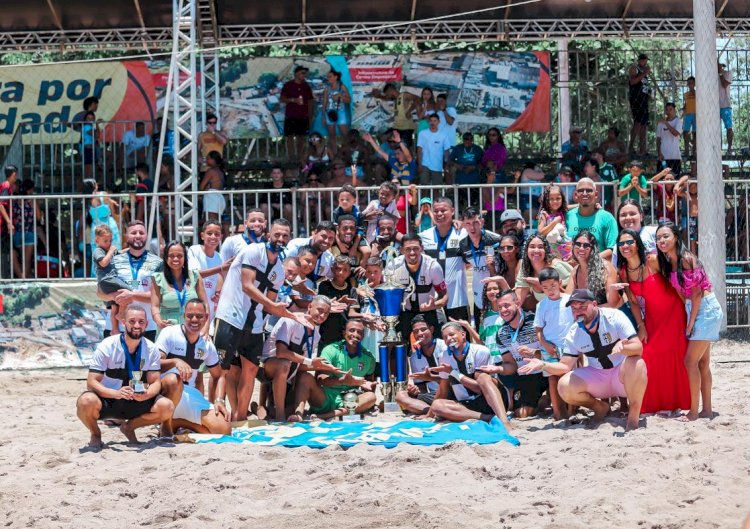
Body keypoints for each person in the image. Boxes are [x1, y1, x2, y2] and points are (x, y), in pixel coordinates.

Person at [213, 219, 308, 421]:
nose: (280, 239)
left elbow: (269, 305)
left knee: (251, 370)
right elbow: (247, 285)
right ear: (268, 235)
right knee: (222, 368)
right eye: (277, 235)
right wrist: (274, 307)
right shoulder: (253, 251)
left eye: (285, 236)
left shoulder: (279, 271)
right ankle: (219, 411)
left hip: (255, 324)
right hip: (231, 316)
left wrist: (293, 315)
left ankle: (239, 418)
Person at [523, 289, 647, 431]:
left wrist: (624, 348)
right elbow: (565, 366)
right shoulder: (574, 332)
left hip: (621, 376)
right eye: (574, 308)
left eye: (583, 306)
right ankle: (599, 407)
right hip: (598, 377)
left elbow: (638, 348)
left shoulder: (614, 316)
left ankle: (633, 418)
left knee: (638, 363)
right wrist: (543, 365)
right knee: (564, 386)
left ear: (594, 304)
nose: (578, 311)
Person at [75, 305, 180, 448]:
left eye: (141, 322)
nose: (137, 325)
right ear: (123, 322)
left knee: (167, 407)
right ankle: (95, 433)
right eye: (132, 321)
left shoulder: (151, 349)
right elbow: (91, 382)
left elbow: (155, 382)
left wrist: (147, 394)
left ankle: (129, 427)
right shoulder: (108, 345)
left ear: (146, 324)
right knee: (85, 401)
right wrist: (115, 393)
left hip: (136, 399)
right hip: (109, 399)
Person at [616, 229, 690, 414]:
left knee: (676, 354)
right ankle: (653, 403)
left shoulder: (653, 260)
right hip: (652, 318)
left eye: (629, 242)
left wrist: (689, 313)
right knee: (650, 354)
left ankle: (679, 402)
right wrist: (641, 326)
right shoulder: (623, 271)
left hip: (675, 313)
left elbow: (676, 283)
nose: (626, 246)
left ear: (637, 243)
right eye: (621, 243)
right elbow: (633, 302)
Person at [655, 222, 723, 421]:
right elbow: (681, 294)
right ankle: (706, 410)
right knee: (702, 363)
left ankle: (694, 412)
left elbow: (696, 295)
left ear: (676, 236)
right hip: (695, 309)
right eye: (659, 238)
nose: (662, 241)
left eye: (666, 236)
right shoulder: (669, 261)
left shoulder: (686, 259)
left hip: (705, 310)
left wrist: (690, 323)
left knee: (690, 362)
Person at [259, 296, 343, 422]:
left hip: (287, 373)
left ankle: (262, 408)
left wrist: (320, 366)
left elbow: (301, 365)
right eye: (320, 310)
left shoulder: (316, 335)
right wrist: (310, 362)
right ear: (309, 306)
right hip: (265, 367)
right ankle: (279, 416)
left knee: (303, 378)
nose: (322, 315)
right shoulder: (291, 320)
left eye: (326, 313)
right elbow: (281, 352)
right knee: (284, 364)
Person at [155, 300, 230, 435]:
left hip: (190, 394)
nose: (194, 320)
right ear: (183, 316)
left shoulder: (206, 344)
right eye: (190, 316)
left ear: (206, 318)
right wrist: (175, 361)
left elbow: (219, 376)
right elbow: (153, 365)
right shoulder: (169, 333)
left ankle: (178, 423)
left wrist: (219, 400)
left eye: (199, 316)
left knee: (224, 430)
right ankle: (166, 424)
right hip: (166, 394)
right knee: (173, 380)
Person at [428, 322, 512, 429]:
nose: (449, 339)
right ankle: (488, 418)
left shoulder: (480, 351)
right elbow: (443, 388)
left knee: (483, 377)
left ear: (463, 334)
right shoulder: (444, 356)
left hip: (490, 401)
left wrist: (453, 373)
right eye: (445, 337)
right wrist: (429, 414)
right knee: (437, 405)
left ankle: (503, 420)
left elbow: (479, 389)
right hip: (468, 405)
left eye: (452, 334)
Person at [289, 319, 377, 421]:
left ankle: (328, 416)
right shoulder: (331, 350)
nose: (355, 334)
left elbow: (369, 383)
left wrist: (369, 387)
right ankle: (299, 414)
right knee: (305, 377)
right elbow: (320, 379)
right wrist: (343, 381)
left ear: (363, 336)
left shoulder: (369, 357)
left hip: (349, 400)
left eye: (359, 332)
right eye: (352, 330)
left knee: (371, 396)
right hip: (324, 398)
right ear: (344, 333)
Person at [100, 221, 163, 341]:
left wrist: (132, 295)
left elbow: (159, 296)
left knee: (145, 360)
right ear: (126, 236)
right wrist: (116, 296)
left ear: (146, 236)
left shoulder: (158, 262)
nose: (138, 235)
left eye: (141, 233)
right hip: (117, 328)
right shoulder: (113, 261)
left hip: (146, 326)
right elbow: (100, 292)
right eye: (133, 233)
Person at [490, 289, 546, 418]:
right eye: (500, 307)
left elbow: (555, 352)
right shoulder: (501, 333)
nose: (503, 310)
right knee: (522, 414)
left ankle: (549, 397)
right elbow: (511, 365)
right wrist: (497, 368)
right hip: (527, 375)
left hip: (547, 370)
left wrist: (534, 353)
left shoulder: (536, 322)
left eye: (506, 305)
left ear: (518, 303)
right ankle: (543, 401)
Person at [385, 233, 448, 338]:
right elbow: (388, 296)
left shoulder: (432, 266)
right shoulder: (393, 266)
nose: (412, 253)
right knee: (396, 343)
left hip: (429, 311)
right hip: (405, 312)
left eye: (416, 248)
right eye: (408, 249)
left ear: (422, 248)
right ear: (401, 250)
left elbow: (444, 296)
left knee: (439, 341)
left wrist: (435, 305)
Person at [534, 268, 574, 419]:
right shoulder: (541, 305)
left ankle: (571, 410)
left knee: (569, 376)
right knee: (552, 378)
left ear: (560, 283)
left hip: (569, 345)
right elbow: (538, 329)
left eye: (553, 286)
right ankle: (558, 412)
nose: (549, 290)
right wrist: (544, 344)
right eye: (545, 288)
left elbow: (577, 322)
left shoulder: (569, 301)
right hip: (549, 345)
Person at [419, 196, 469, 321]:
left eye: (443, 210)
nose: (439, 214)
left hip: (457, 299)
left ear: (452, 211)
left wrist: (462, 224)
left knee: (459, 337)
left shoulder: (463, 234)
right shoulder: (424, 236)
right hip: (432, 300)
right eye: (435, 211)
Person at [151, 241, 209, 331]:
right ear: (166, 258)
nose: (175, 259)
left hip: (192, 330)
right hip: (167, 330)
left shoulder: (195, 276)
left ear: (185, 258)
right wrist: (159, 322)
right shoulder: (158, 278)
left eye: (179, 256)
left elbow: (205, 304)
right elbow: (154, 306)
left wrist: (205, 329)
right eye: (171, 256)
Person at [395, 315, 447, 414]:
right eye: (416, 331)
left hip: (452, 392)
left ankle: (436, 411)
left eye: (423, 330)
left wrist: (431, 378)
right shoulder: (414, 358)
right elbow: (422, 388)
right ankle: (435, 411)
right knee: (400, 396)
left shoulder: (445, 347)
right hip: (434, 396)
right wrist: (416, 391)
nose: (420, 334)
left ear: (431, 330)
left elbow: (453, 381)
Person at [458, 207, 502, 328]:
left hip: (496, 292)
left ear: (481, 222)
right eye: (468, 224)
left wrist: (492, 267)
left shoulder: (495, 240)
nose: (472, 228)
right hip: (478, 294)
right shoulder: (463, 245)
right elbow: (466, 263)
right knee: (480, 330)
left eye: (475, 223)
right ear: (464, 225)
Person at [514, 233, 572, 309]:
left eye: (540, 247)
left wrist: (544, 285)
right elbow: (517, 301)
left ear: (546, 250)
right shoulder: (525, 269)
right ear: (526, 250)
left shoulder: (557, 266)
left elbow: (574, 295)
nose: (536, 250)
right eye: (532, 247)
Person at [566, 178, 619, 259]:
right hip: (572, 268)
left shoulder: (607, 218)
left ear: (596, 194)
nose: (584, 193)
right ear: (576, 195)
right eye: (581, 190)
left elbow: (613, 249)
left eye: (589, 190)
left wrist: (589, 261)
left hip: (598, 268)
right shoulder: (569, 216)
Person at [93, 224, 132, 332]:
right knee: (128, 291)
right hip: (107, 279)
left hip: (110, 280)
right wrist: (110, 251)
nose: (109, 244)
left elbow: (119, 253)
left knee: (114, 305)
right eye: (105, 241)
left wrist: (130, 249)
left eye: (110, 241)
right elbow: (103, 263)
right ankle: (121, 314)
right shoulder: (98, 251)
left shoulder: (108, 250)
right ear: (97, 241)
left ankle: (114, 329)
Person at [187, 220, 227, 324]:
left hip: (211, 308)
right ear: (202, 235)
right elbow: (195, 275)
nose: (213, 237)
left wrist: (219, 293)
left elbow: (220, 278)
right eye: (209, 233)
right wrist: (220, 268)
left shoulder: (219, 257)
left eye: (217, 234)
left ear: (221, 237)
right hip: (195, 305)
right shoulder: (194, 250)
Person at [316, 256, 357, 351]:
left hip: (344, 335)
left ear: (349, 272)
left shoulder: (351, 289)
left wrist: (364, 316)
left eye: (345, 270)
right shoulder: (324, 286)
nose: (341, 273)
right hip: (327, 334)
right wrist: (339, 302)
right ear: (332, 269)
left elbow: (351, 313)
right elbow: (323, 309)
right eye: (338, 269)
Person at [570, 230, 620, 307]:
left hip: (614, 314)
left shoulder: (606, 268)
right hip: (591, 314)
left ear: (593, 249)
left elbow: (613, 304)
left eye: (586, 245)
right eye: (578, 244)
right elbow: (567, 297)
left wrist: (587, 309)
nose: (581, 248)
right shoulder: (575, 271)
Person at [280, 65, 315, 161]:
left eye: (306, 74)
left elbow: (311, 101)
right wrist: (292, 100)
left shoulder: (306, 86)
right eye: (303, 73)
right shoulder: (288, 85)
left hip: (303, 116)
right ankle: (291, 157)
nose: (304, 75)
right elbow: (282, 99)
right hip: (291, 116)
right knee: (289, 138)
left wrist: (311, 116)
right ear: (296, 73)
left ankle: (300, 158)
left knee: (302, 138)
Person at [370, 83, 418, 147]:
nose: (388, 96)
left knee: (404, 146)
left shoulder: (404, 95)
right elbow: (396, 115)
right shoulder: (396, 101)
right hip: (397, 127)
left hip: (407, 128)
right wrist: (385, 121)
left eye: (387, 94)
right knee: (382, 138)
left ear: (390, 90)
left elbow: (418, 100)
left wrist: (409, 111)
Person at [612, 199, 657, 267]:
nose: (628, 217)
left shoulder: (654, 233)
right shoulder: (618, 246)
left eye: (632, 214)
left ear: (641, 216)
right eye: (623, 215)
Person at [11, 178, 40, 279]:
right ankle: (25, 280)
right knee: (26, 260)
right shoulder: (31, 200)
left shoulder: (15, 200)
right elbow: (38, 217)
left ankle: (22, 278)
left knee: (19, 258)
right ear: (31, 189)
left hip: (17, 233)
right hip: (29, 233)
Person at [537, 183, 572, 261]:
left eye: (558, 198)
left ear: (562, 199)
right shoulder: (544, 214)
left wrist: (593, 205)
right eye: (551, 199)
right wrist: (554, 222)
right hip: (551, 251)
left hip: (566, 249)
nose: (555, 201)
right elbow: (541, 233)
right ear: (546, 200)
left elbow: (575, 206)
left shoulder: (563, 210)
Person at [417, 114, 452, 185]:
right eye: (431, 121)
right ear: (428, 122)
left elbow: (447, 152)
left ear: (439, 122)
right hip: (424, 165)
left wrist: (446, 165)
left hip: (438, 166)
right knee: (424, 187)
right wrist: (419, 164)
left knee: (436, 188)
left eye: (435, 121)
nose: (432, 123)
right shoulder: (422, 133)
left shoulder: (444, 135)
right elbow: (419, 150)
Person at [322, 68, 351, 152]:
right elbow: (324, 102)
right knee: (332, 135)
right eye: (328, 77)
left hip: (340, 112)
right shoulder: (327, 88)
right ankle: (334, 154)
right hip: (329, 113)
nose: (328, 79)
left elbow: (349, 100)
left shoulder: (341, 86)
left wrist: (340, 96)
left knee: (345, 134)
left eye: (330, 77)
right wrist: (323, 116)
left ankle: (347, 153)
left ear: (336, 77)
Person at [628, 53, 651, 156]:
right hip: (636, 98)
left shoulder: (645, 70)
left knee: (644, 124)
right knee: (637, 122)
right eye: (644, 60)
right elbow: (632, 82)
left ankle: (643, 149)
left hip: (644, 99)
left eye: (646, 61)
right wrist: (644, 73)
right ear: (640, 60)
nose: (645, 63)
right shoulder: (635, 68)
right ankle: (631, 147)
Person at [656, 102, 683, 175]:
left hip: (675, 156)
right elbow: (658, 139)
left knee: (675, 179)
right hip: (663, 157)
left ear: (674, 110)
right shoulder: (660, 123)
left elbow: (676, 133)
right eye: (667, 110)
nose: (669, 112)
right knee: (661, 180)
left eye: (671, 109)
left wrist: (666, 123)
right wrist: (659, 153)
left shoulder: (678, 121)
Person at [0, 165, 17, 278]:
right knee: (4, 253)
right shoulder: (6, 187)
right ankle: (4, 279)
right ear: (14, 174)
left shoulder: (6, 186)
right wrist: (9, 222)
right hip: (2, 226)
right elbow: (1, 203)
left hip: (4, 226)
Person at [199, 151, 226, 221]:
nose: (206, 161)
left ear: (213, 160)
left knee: (210, 222)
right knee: (216, 222)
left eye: (208, 158)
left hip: (212, 198)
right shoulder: (221, 171)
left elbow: (201, 187)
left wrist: (205, 188)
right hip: (219, 197)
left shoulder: (210, 171)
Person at [718, 62, 733, 154]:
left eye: (719, 65)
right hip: (714, 106)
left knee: (729, 128)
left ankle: (730, 148)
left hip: (725, 105)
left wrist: (720, 73)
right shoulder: (712, 74)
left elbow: (724, 85)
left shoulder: (727, 73)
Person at [682, 77, 696, 157]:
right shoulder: (686, 94)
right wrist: (683, 108)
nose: (690, 84)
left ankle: (694, 151)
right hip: (688, 114)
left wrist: (693, 92)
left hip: (696, 114)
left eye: (691, 83)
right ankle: (686, 150)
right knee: (685, 132)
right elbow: (686, 104)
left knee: (695, 133)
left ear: (694, 84)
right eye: (689, 83)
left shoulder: (697, 93)